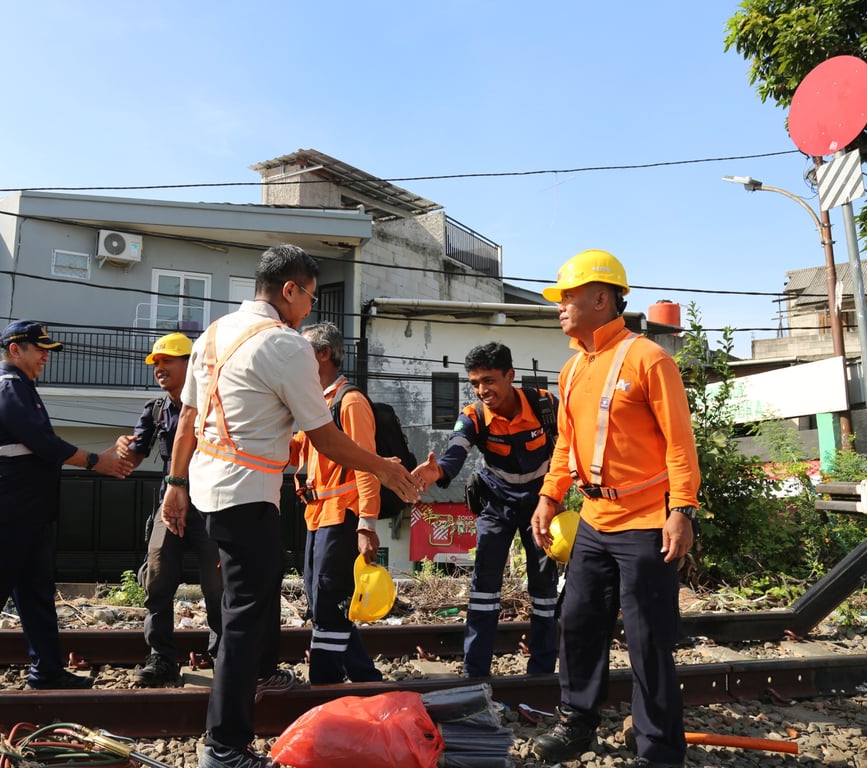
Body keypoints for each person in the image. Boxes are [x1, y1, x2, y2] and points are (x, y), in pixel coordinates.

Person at [160, 244, 421, 768]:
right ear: (288, 290)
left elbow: (188, 420)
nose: (310, 310)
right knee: (244, 618)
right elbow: (324, 438)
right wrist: (385, 468)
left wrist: (175, 483)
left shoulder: (211, 334)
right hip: (246, 496)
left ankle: (254, 685)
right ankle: (225, 747)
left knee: (246, 605)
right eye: (309, 297)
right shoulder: (285, 346)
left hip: (210, 491)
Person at [530, 249, 700, 768]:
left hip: (648, 523)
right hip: (595, 522)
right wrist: (549, 495)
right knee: (577, 623)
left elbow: (679, 442)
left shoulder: (649, 358)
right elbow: (566, 444)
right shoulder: (571, 369)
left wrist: (683, 509)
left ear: (601, 298)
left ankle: (659, 750)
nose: (559, 307)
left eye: (568, 297)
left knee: (649, 640)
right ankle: (577, 722)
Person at [0, 320, 133, 691]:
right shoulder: (8, 388)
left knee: (35, 595)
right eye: (39, 349)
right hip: (8, 510)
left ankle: (47, 670)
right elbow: (43, 443)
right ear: (15, 349)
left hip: (23, 511)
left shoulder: (20, 388)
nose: (46, 357)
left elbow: (41, 444)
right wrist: (99, 461)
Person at [411, 342, 559, 678]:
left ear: (511, 376)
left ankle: (541, 673)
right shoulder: (474, 416)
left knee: (545, 591)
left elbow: (571, 446)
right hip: (497, 503)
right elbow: (456, 450)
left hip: (540, 504)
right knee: (483, 590)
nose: (482, 390)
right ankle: (475, 673)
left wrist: (559, 494)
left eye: (489, 381)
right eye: (475, 383)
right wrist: (439, 471)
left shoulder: (546, 406)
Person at [115, 332, 223, 686]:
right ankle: (161, 657)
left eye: (168, 361)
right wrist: (121, 449)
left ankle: (223, 655)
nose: (159, 369)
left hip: (209, 504)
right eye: (156, 363)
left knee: (217, 583)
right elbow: (134, 453)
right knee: (158, 579)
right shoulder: (156, 410)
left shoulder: (212, 405)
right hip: (170, 504)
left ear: (190, 364)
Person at [290, 322, 383, 685]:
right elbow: (293, 451)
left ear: (324, 354)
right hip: (318, 517)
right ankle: (364, 677)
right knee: (320, 602)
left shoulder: (350, 402)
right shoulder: (318, 404)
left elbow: (368, 464)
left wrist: (367, 524)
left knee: (328, 602)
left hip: (341, 515)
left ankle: (324, 682)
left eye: (302, 354)